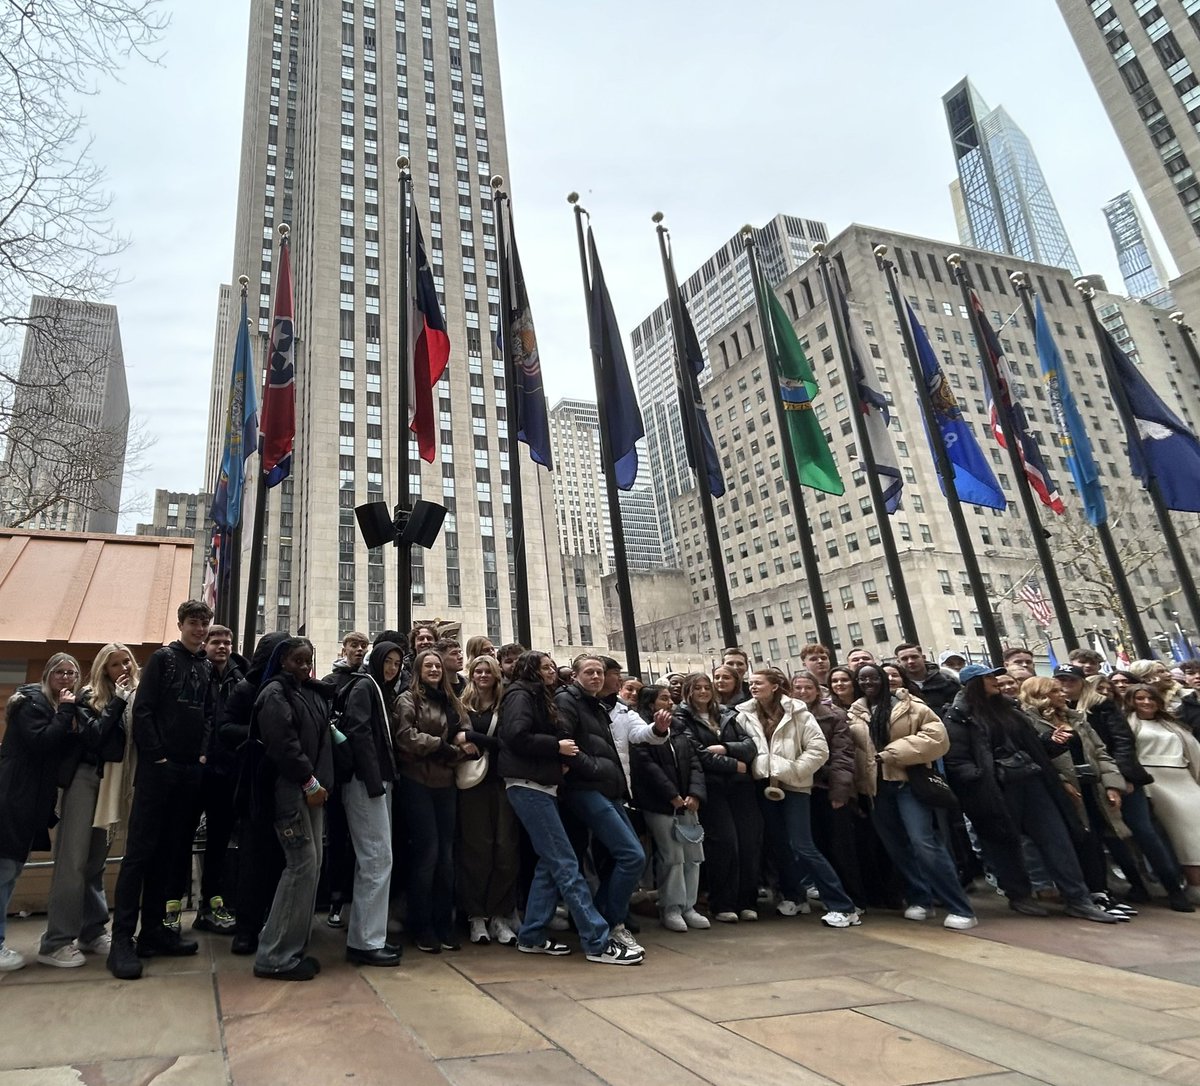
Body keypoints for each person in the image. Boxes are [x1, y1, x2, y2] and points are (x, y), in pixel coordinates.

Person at [498, 651, 642, 965]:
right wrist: (557, 749)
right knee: (565, 864)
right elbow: (515, 735)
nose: (553, 671)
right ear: (531, 669)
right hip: (529, 786)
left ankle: (532, 934)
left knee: (551, 865)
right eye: (547, 667)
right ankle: (597, 941)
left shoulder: (541, 697)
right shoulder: (521, 694)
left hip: (541, 786)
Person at [943, 664, 1117, 923]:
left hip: (1033, 781)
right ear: (973, 684)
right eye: (988, 677)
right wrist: (981, 780)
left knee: (1056, 838)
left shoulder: (1010, 708)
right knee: (1004, 844)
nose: (995, 680)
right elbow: (957, 761)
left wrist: (1051, 742)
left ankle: (1077, 897)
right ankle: (1019, 895)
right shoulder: (958, 716)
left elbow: (1034, 744)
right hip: (995, 789)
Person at [108, 599, 214, 981]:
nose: (199, 629)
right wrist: (158, 759)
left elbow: (207, 714)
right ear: (181, 624)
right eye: (194, 623)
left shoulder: (203, 667)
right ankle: (122, 939)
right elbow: (144, 711)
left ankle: (153, 931)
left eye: (204, 623)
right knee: (139, 854)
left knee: (171, 854)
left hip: (189, 772)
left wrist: (201, 756)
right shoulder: (162, 659)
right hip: (158, 772)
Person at [845, 664, 976, 930]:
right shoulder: (854, 712)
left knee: (923, 842)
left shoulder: (911, 706)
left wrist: (893, 753)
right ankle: (920, 898)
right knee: (896, 845)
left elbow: (937, 738)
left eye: (873, 677)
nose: (868, 682)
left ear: (884, 679)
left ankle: (959, 906)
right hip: (876, 789)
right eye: (862, 679)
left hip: (908, 784)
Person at [738, 668, 860, 928]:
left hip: (795, 787)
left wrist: (793, 771)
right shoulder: (744, 713)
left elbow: (819, 749)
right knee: (780, 844)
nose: (753, 687)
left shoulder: (799, 711)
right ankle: (795, 895)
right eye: (750, 684)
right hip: (764, 786)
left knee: (803, 844)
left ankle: (843, 905)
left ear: (775, 686)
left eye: (758, 683)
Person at [38, 645, 136, 968]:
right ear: (103, 669)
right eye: (114, 664)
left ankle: (92, 930)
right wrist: (119, 700)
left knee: (95, 862)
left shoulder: (132, 697)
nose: (122, 667)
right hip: (85, 779)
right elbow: (93, 737)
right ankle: (56, 941)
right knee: (72, 861)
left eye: (127, 662)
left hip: (110, 786)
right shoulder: (88, 696)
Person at [0, 655, 88, 972]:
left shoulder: (49, 706)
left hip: (26, 801)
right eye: (60, 672)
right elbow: (42, 742)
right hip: (12, 797)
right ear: (48, 675)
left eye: (72, 673)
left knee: (10, 870)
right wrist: (66, 711)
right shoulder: (32, 702)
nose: (66, 678)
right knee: (4, 872)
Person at [253, 637, 334, 981]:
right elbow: (282, 744)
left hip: (308, 787)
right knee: (301, 865)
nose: (304, 666)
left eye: (308, 661)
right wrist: (308, 781)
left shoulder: (304, 692)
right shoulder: (275, 694)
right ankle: (274, 955)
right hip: (292, 789)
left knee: (311, 866)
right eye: (298, 660)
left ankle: (291, 947)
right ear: (283, 660)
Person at [1020, 674, 1133, 919]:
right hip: (1066, 791)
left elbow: (1101, 752)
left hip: (1093, 786)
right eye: (1055, 691)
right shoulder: (1028, 722)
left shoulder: (1077, 718)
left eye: (1062, 691)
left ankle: (1101, 891)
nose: (1063, 694)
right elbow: (1037, 758)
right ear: (1041, 696)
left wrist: (1113, 784)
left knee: (1100, 835)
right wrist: (1061, 783)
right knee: (1081, 839)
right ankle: (1089, 893)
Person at [555, 656, 647, 955]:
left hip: (608, 790)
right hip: (585, 788)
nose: (596, 676)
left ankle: (602, 917)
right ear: (575, 676)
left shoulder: (600, 705)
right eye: (589, 672)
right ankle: (612, 923)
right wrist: (594, 768)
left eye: (599, 672)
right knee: (631, 855)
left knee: (629, 855)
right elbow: (564, 741)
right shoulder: (568, 700)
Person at [1079, 674, 1193, 911]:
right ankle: (1137, 886)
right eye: (1099, 687)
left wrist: (1123, 778)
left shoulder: (1109, 710)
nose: (1105, 691)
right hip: (1095, 783)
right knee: (1114, 838)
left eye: (1107, 687)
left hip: (1128, 781)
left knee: (1145, 833)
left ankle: (1173, 888)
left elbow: (1123, 745)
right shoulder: (1074, 712)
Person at [218, 631, 290, 956]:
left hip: (285, 782)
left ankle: (275, 923)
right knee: (253, 858)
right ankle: (246, 928)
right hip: (254, 783)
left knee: (282, 859)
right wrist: (260, 734)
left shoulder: (292, 688)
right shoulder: (247, 689)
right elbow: (224, 728)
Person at [671, 672, 761, 922]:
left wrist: (726, 749)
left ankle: (747, 901)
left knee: (748, 843)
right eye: (697, 688)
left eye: (706, 687)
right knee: (725, 843)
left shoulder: (726, 714)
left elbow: (750, 745)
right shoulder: (681, 717)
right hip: (712, 787)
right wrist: (735, 765)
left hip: (741, 788)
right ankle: (723, 902)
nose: (702, 692)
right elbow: (696, 753)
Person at [393, 648, 465, 953]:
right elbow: (404, 736)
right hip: (417, 782)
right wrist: (441, 746)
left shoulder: (452, 701)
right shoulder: (408, 699)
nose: (434, 669)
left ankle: (443, 924)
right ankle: (421, 925)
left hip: (446, 782)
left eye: (437, 665)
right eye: (428, 665)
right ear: (419, 670)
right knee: (428, 853)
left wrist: (460, 744)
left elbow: (465, 729)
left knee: (446, 857)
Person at [338, 641, 401, 966]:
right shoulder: (365, 686)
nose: (392, 668)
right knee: (376, 859)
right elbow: (359, 732)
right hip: (366, 785)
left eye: (396, 663)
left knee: (378, 859)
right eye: (387, 661)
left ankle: (370, 937)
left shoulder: (376, 688)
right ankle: (365, 942)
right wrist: (374, 781)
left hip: (375, 783)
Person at [177, 625, 242, 937]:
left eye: (227, 642)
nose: (223, 646)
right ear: (204, 644)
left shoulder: (238, 676)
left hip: (225, 771)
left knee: (218, 843)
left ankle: (210, 906)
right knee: (180, 840)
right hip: (192, 768)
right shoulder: (193, 672)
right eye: (217, 641)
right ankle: (170, 911)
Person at [458, 654, 520, 947]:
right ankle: (476, 915)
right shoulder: (462, 704)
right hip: (473, 785)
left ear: (496, 675)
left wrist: (471, 736)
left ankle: (499, 913)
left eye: (488, 671)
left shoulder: (505, 705)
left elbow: (507, 742)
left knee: (505, 848)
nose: (483, 675)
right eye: (477, 671)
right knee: (475, 849)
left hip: (501, 781)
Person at [631, 696, 707, 932]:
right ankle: (671, 907)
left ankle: (688, 906)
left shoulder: (680, 730)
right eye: (663, 698)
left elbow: (694, 763)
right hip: (661, 804)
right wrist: (671, 795)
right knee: (673, 857)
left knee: (693, 854)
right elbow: (647, 767)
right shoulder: (641, 731)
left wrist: (695, 794)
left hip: (687, 803)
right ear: (651, 704)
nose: (670, 701)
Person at [791, 669, 864, 909]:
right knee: (813, 844)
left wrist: (839, 791)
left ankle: (853, 897)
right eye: (798, 688)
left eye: (808, 688)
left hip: (828, 787)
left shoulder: (834, 715)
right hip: (799, 788)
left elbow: (843, 755)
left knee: (840, 845)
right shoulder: (785, 715)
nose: (803, 692)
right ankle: (826, 893)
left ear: (817, 690)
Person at [1126, 683, 1200, 905]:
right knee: (1182, 834)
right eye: (1140, 698)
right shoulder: (1126, 724)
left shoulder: (1172, 724)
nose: (1146, 702)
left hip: (1184, 778)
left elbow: (1194, 750)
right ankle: (1193, 885)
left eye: (1151, 698)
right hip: (1151, 782)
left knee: (1195, 830)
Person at [321, 632, 369, 931]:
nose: (359, 650)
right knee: (337, 835)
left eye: (363, 646)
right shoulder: (329, 681)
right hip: (338, 771)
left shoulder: (370, 681)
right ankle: (336, 899)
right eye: (354, 645)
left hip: (363, 771)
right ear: (344, 649)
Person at [894, 644, 960, 717]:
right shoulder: (898, 687)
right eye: (904, 659)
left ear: (923, 658)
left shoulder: (947, 681)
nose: (910, 661)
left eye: (914, 657)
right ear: (898, 662)